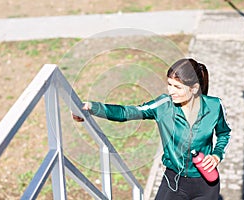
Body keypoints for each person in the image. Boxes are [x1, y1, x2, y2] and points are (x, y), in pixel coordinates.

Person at [72, 58, 231, 200]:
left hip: (205, 183)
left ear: (194, 88)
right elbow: (129, 112)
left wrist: (217, 155)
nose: (171, 91)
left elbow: (224, 133)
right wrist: (92, 108)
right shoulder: (164, 106)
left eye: (177, 87)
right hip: (174, 182)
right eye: (169, 84)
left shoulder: (214, 106)